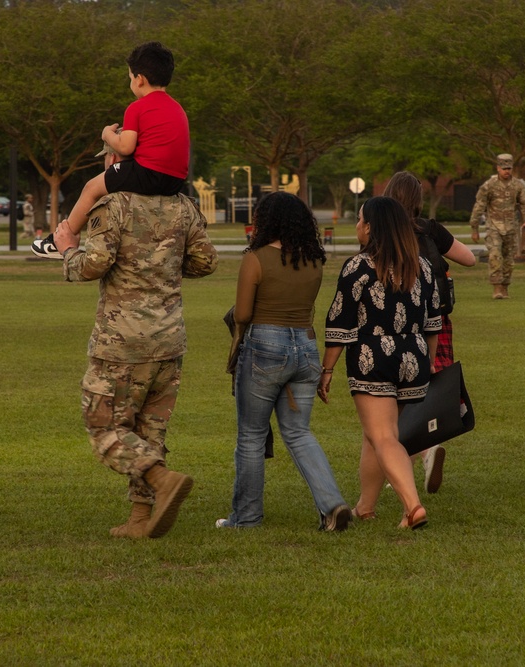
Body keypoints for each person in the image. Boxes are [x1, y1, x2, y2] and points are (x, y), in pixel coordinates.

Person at [52, 149, 218, 539]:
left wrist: (65, 247)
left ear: (120, 159)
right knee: (149, 432)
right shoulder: (184, 206)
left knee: (103, 427)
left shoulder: (114, 205)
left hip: (121, 343)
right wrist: (162, 268)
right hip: (169, 340)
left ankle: (162, 480)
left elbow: (90, 266)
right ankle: (141, 519)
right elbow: (205, 261)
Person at [216, 192, 351, 531]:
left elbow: (245, 313)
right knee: (299, 433)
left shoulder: (255, 258)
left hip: (265, 346)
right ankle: (332, 505)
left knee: (250, 436)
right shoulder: (314, 261)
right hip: (305, 349)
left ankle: (246, 518)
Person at [318, 196, 442, 530]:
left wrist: (326, 370)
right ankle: (365, 507)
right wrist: (428, 362)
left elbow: (340, 322)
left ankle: (413, 507)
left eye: (360, 220)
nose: (357, 226)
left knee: (384, 436)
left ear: (372, 227)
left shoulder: (358, 266)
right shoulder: (422, 266)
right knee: (375, 434)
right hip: (413, 357)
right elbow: (434, 322)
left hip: (373, 356)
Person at [33, 41, 189, 259]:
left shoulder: (137, 107)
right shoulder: (177, 108)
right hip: (175, 179)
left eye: (130, 78)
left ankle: (61, 239)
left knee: (91, 188)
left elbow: (125, 146)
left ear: (139, 79)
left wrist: (107, 134)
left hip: (148, 172)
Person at [383, 172, 476, 494]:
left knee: (394, 399)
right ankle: (427, 449)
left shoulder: (382, 233)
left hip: (396, 323)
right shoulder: (431, 230)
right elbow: (470, 258)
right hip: (437, 319)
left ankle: (403, 465)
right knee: (427, 384)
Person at [469, 153, 525, 299]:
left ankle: (505, 288)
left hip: (511, 227)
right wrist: (474, 228)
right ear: (498, 168)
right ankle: (497, 288)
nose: (507, 171)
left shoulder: (518, 185)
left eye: (509, 168)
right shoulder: (489, 186)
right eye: (504, 168)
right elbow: (479, 206)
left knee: (509, 260)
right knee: (495, 256)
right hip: (494, 227)